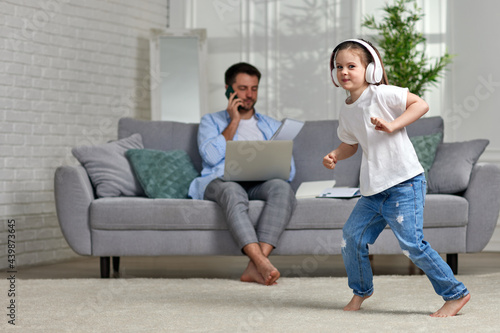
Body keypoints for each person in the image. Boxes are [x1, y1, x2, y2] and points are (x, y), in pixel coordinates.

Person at [323, 39, 470, 317]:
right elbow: (351, 144)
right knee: (351, 237)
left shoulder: (382, 94)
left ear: (370, 70)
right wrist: (335, 154)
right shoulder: (347, 109)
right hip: (374, 188)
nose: (344, 71)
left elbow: (420, 105)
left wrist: (392, 125)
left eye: (351, 66)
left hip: (404, 182)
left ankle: (455, 293)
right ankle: (361, 290)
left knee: (412, 244)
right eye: (339, 67)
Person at [188, 62, 296, 286]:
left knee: (283, 188)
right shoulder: (211, 121)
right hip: (221, 181)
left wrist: (271, 163)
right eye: (243, 88)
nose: (249, 95)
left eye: (254, 89)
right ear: (229, 89)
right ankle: (261, 263)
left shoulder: (271, 125)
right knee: (232, 189)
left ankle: (255, 266)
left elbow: (289, 170)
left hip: (259, 182)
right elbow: (209, 156)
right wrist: (234, 121)